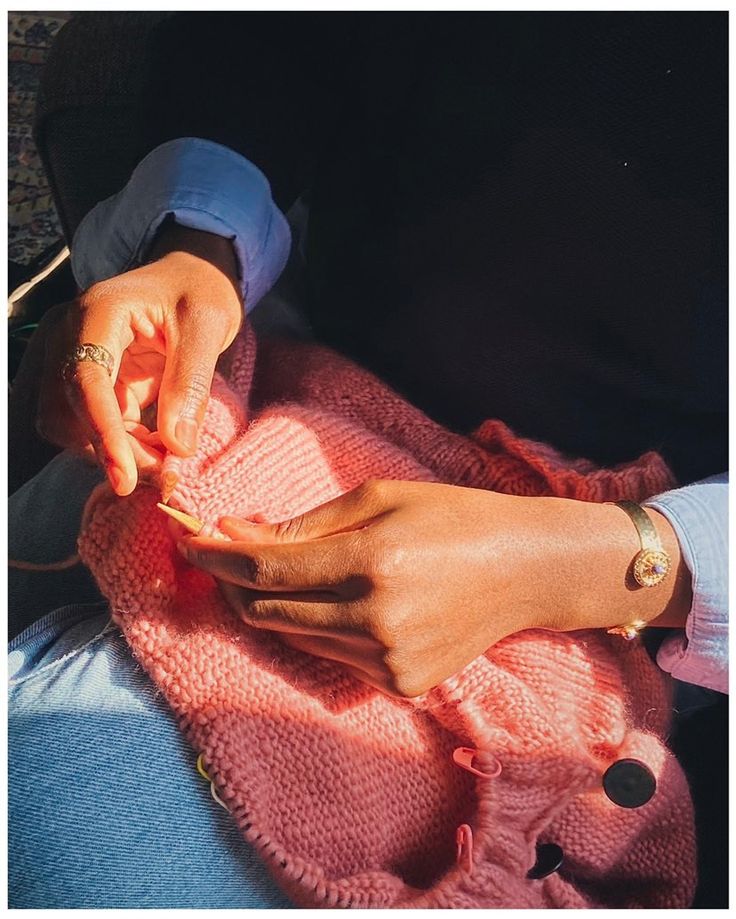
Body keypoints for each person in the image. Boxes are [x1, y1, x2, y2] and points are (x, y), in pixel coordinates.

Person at [9, 11, 727, 908]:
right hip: (305, 379)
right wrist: (198, 244)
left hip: (648, 595)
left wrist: (598, 562)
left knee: (46, 790)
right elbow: (280, 38)